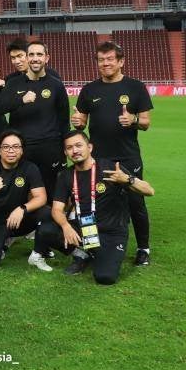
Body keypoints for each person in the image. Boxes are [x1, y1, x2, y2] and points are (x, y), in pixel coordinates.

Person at [31, 130, 155, 283]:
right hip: (85, 226)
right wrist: (65, 226)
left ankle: (96, 253)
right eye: (69, 148)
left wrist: (127, 179)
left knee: (105, 277)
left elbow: (149, 191)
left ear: (89, 147)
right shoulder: (66, 176)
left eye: (78, 145)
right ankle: (81, 254)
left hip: (112, 231)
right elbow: (57, 209)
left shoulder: (110, 169)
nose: (75, 151)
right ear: (65, 152)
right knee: (46, 230)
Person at [71, 40, 154, 266]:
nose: (105, 63)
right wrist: (78, 122)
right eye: (101, 60)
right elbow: (81, 123)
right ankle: (89, 247)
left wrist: (134, 120)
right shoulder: (89, 90)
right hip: (98, 159)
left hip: (128, 156)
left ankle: (143, 248)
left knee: (136, 203)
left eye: (110, 59)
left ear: (121, 62)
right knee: (91, 202)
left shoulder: (136, 87)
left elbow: (146, 122)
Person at [0, 41, 69, 198]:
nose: (35, 58)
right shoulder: (13, 83)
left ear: (46, 58)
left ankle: (51, 221)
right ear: (26, 58)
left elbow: (64, 120)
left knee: (52, 191)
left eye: (39, 54)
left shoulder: (56, 85)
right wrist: (20, 100)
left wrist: (64, 149)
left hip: (50, 147)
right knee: (21, 191)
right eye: (31, 54)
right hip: (22, 148)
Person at [0, 130, 49, 269]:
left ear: (21, 150)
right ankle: (2, 240)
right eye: (6, 147)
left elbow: (41, 197)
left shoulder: (30, 168)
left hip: (18, 219)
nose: (11, 151)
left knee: (47, 213)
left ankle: (39, 252)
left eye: (16, 146)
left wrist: (22, 209)